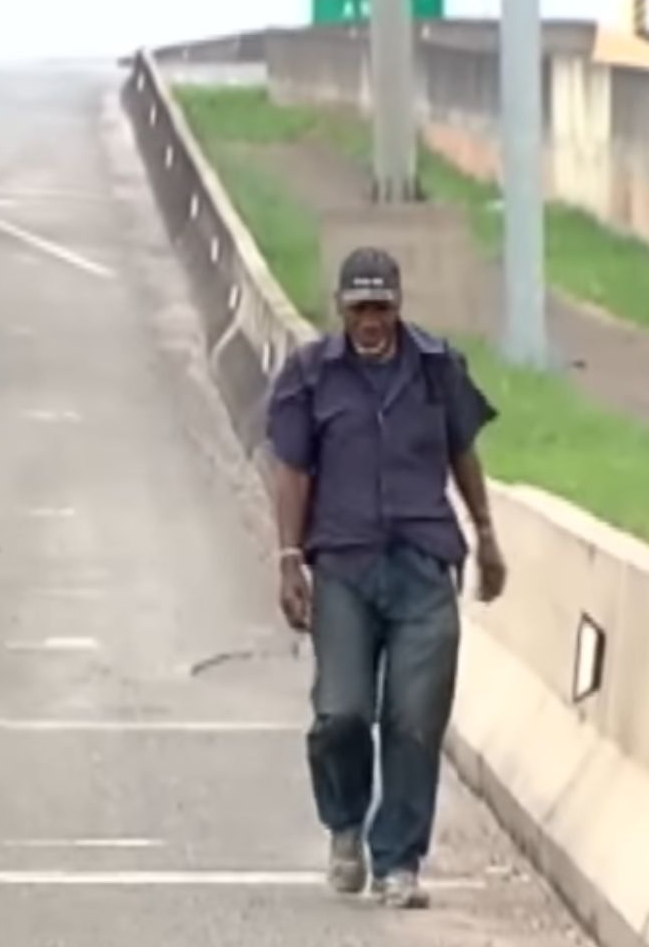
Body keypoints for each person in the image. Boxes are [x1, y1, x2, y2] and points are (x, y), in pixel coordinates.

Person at [265, 246, 508, 909]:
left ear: (399, 306)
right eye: (358, 309)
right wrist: (289, 560)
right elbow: (292, 473)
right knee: (341, 713)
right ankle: (345, 826)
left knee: (414, 719)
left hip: (424, 566)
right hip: (344, 567)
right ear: (341, 310)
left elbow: (463, 451)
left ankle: (398, 861)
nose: (371, 321)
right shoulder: (310, 377)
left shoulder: (437, 368)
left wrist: (485, 535)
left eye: (381, 308)